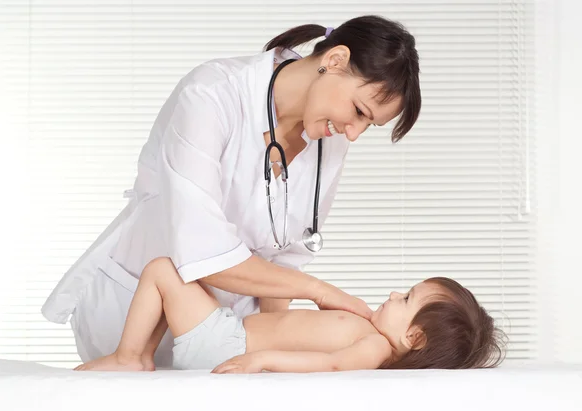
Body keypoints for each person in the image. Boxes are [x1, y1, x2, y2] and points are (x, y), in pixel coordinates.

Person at [42, 15, 422, 367]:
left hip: (225, 337)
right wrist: (319, 292)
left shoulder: (329, 140)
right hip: (133, 310)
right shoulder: (213, 93)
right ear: (335, 60)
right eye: (358, 110)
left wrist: (276, 353)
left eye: (368, 125)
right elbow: (202, 249)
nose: (353, 133)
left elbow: (283, 261)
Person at [75, 257, 505, 372]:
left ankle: (129, 356)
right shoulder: (368, 331)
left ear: (414, 339)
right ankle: (142, 358)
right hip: (229, 333)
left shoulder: (374, 348)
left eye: (407, 299)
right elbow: (297, 328)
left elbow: (330, 363)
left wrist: (263, 360)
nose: (394, 293)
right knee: (185, 283)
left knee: (163, 271)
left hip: (228, 344)